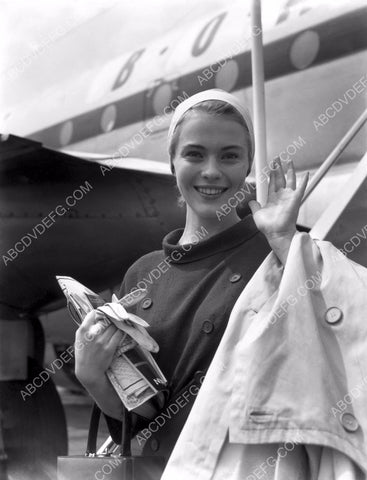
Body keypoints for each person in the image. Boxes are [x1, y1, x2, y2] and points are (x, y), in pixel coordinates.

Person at [74, 89, 309, 463]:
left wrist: (285, 242)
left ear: (248, 165)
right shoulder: (143, 272)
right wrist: (92, 377)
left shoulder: (280, 253)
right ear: (172, 163)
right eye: (194, 154)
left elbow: (332, 342)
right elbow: (138, 420)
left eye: (229, 156)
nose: (212, 171)